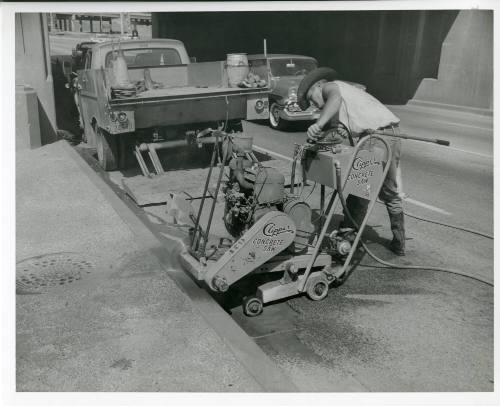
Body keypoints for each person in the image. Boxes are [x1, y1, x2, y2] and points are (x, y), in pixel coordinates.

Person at [297, 67, 406, 255]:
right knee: (388, 192)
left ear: (318, 86)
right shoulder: (341, 100)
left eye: (311, 98)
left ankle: (345, 243)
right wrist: (323, 134)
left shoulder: (330, 88)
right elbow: (338, 133)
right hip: (386, 134)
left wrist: (318, 124)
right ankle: (399, 243)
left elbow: (334, 100)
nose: (315, 105)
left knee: (359, 190)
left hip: (378, 137)